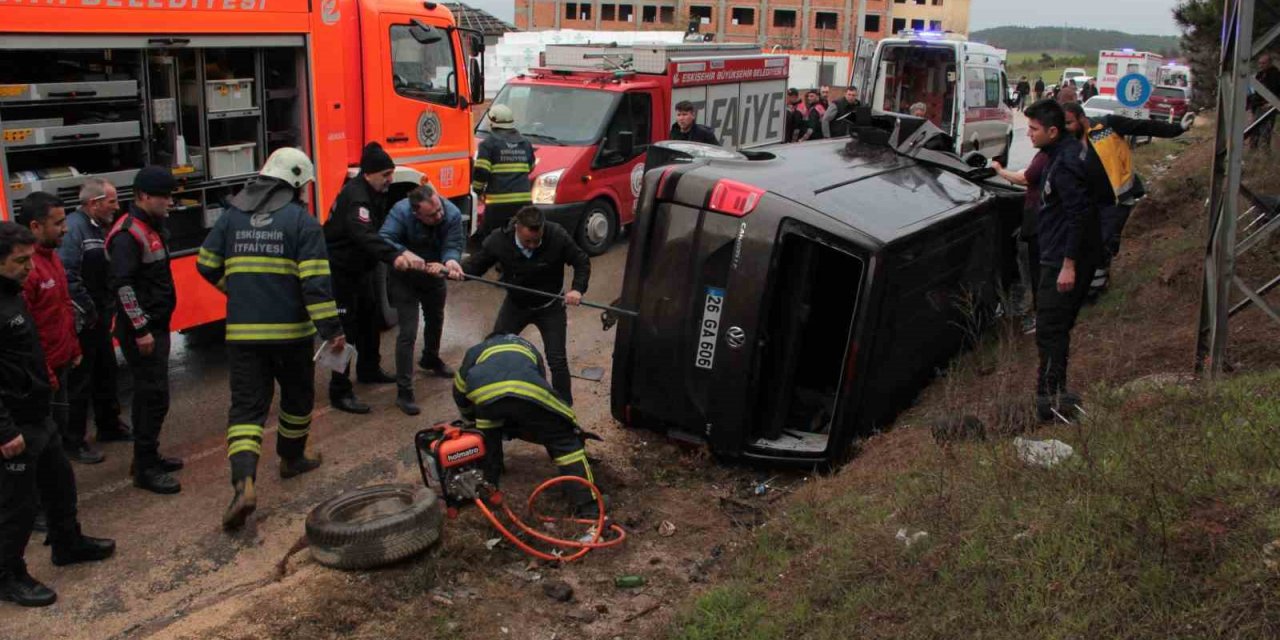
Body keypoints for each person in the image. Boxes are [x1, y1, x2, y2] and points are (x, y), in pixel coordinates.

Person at [197, 148, 346, 530]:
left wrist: (238, 291)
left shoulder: (232, 216)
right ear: (297, 182)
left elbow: (205, 264)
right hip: (290, 334)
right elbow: (315, 283)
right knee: (296, 399)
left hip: (243, 334)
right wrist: (332, 331)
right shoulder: (302, 222)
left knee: (246, 410)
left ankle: (244, 482)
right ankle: (291, 459)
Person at [0, 222, 115, 608]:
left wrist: (48, 378)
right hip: (14, 424)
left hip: (38, 412)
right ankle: (9, 576)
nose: (29, 268)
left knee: (60, 484)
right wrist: (4, 431)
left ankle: (67, 543)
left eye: (30, 258)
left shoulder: (13, 295)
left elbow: (28, 350)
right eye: (20, 261)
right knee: (18, 507)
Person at [324, 142, 425, 415]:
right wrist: (393, 257)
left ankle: (369, 369)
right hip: (342, 271)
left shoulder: (373, 190)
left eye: (391, 173)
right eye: (386, 175)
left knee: (370, 320)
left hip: (362, 268)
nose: (391, 180)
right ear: (369, 173)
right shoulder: (356, 197)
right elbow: (365, 235)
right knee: (345, 330)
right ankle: (339, 390)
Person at [452, 333, 602, 517]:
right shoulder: (528, 347)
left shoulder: (476, 350)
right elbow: (535, 394)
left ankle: (489, 488)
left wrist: (470, 421)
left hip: (484, 397)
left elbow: (459, 390)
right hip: (527, 390)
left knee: (488, 435)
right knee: (564, 438)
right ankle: (588, 507)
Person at [456, 206, 590, 406]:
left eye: (538, 240)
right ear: (517, 227)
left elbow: (581, 261)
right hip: (516, 305)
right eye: (528, 241)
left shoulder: (557, 235)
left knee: (557, 361)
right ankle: (487, 400)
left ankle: (565, 410)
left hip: (550, 306)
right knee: (492, 350)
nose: (534, 245)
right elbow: (476, 265)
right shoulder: (499, 241)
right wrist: (456, 271)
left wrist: (577, 289)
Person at [1023, 99, 1104, 422]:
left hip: (1063, 259)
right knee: (1052, 329)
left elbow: (1078, 215)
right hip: (1056, 253)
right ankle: (1050, 395)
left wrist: (1068, 264)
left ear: (1052, 131)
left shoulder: (1067, 163)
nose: (1028, 134)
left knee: (1051, 329)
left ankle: (1050, 400)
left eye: (1033, 129)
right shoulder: (1058, 155)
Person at [1061, 101, 1194, 295]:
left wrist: (1177, 128)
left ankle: (1095, 292)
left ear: (1081, 118)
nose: (1067, 128)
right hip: (1089, 203)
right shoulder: (1069, 142)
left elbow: (1144, 126)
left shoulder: (1106, 127)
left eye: (1069, 123)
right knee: (1085, 244)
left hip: (1116, 201)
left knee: (1103, 243)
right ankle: (1089, 285)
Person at [108, 167, 183, 494]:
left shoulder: (151, 225)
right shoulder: (128, 234)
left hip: (156, 326)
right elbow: (122, 286)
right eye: (163, 196)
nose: (169, 201)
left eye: (170, 195)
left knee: (156, 396)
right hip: (144, 331)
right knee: (150, 397)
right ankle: (144, 468)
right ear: (142, 196)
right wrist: (141, 329)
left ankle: (148, 457)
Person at [60, 179, 131, 463]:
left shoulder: (96, 227)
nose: (116, 206)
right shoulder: (75, 230)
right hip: (86, 320)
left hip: (99, 316)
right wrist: (89, 311)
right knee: (80, 382)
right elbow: (68, 276)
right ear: (94, 203)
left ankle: (109, 426)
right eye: (111, 201)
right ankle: (73, 441)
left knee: (106, 371)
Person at [379, 184, 465, 416]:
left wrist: (451, 262)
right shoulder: (400, 211)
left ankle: (431, 358)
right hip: (404, 279)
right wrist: (402, 253)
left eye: (439, 210)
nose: (439, 216)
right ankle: (404, 391)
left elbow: (453, 244)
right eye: (432, 214)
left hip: (434, 275)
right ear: (416, 213)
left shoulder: (452, 213)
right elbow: (384, 237)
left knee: (436, 318)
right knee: (408, 333)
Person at [16, 194, 84, 465]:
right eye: (58, 223)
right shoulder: (29, 271)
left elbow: (64, 306)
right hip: (43, 375)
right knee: (43, 441)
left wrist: (74, 346)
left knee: (57, 430)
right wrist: (45, 373)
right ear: (35, 227)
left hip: (60, 363)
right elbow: (26, 333)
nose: (65, 228)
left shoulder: (52, 258)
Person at [992, 151, 1051, 333]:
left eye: (1034, 129)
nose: (1029, 134)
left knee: (1034, 271)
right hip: (1042, 220)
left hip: (1039, 221)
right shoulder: (1060, 151)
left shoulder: (1046, 155)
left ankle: (1038, 316)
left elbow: (1025, 179)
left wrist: (999, 170)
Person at [474, 104, 536, 235]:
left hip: (497, 203)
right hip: (524, 202)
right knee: (520, 237)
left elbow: (481, 171)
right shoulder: (525, 143)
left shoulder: (488, 144)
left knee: (494, 237)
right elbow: (530, 167)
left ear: (492, 122)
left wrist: (477, 190)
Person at [1247, 52, 1279, 153]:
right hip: (1258, 106)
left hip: (1269, 107)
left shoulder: (1276, 75)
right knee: (1253, 132)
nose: (1261, 65)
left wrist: (1272, 104)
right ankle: (1253, 153)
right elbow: (1255, 92)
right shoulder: (1260, 75)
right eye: (1260, 63)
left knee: (1265, 132)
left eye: (1263, 63)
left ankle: (1265, 154)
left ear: (1270, 63)